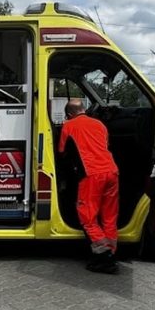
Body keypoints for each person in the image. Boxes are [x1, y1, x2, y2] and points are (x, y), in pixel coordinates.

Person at [58, 99, 120, 274]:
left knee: (87, 216)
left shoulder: (68, 126)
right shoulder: (99, 124)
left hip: (91, 175)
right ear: (83, 109)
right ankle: (112, 252)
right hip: (112, 171)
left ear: (69, 114)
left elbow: (62, 152)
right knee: (109, 216)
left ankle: (104, 256)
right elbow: (105, 146)